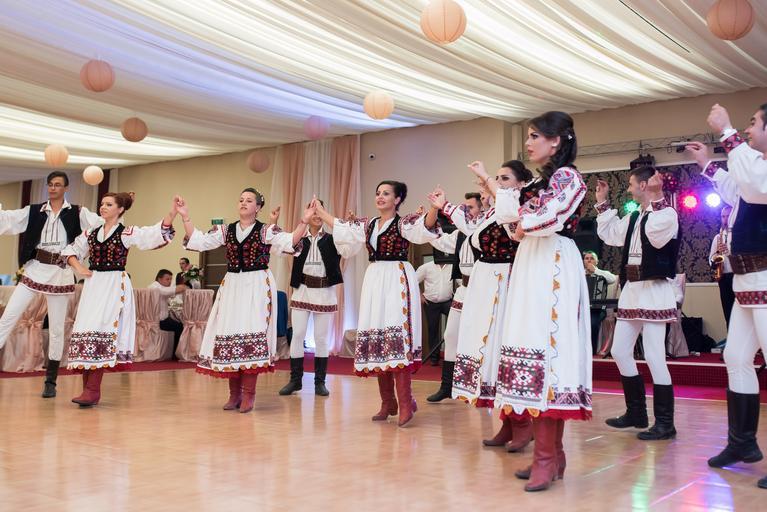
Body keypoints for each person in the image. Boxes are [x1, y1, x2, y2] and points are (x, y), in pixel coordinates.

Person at [491, 111, 591, 492]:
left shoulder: (568, 177)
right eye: (529, 136)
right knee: (530, 347)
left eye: (535, 136)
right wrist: (517, 214)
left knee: (549, 353)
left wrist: (521, 217)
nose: (528, 143)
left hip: (553, 261)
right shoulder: (541, 182)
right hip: (533, 260)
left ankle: (547, 458)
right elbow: (511, 224)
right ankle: (551, 456)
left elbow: (546, 216)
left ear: (556, 140)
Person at [686, 102, 767, 490]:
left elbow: (754, 185)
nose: (749, 130)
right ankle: (742, 443)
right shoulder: (755, 167)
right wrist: (707, 164)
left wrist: (727, 131)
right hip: (748, 280)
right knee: (735, 357)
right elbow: (738, 188)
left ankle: (743, 442)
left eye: (754, 123)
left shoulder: (760, 171)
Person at [429, 161, 535, 453]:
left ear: (520, 183)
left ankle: (523, 422)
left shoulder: (519, 207)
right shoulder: (492, 212)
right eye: (497, 178)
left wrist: (489, 183)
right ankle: (507, 421)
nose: (497, 182)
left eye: (505, 178)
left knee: (503, 348)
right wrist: (444, 205)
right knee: (487, 351)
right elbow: (469, 226)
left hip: (505, 280)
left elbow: (513, 227)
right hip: (485, 280)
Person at [313, 181, 438, 427]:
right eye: (378, 193)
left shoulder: (403, 223)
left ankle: (406, 402)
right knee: (379, 338)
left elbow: (426, 226)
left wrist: (435, 208)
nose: (380, 197)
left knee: (397, 338)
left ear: (397, 199)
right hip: (375, 279)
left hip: (397, 277)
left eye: (386, 194)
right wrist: (320, 211)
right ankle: (387, 402)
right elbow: (342, 227)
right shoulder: (368, 224)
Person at [177, 188, 311, 413]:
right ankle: (234, 394)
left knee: (252, 333)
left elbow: (290, 241)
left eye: (249, 200)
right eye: (241, 199)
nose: (243, 203)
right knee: (230, 333)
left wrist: (304, 221)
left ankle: (249, 394)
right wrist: (185, 217)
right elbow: (199, 241)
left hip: (257, 284)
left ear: (258, 207)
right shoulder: (226, 230)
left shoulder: (266, 230)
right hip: (232, 285)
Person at [64, 193, 178, 406]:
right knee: (86, 329)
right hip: (93, 284)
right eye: (102, 204)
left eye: (109, 204)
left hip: (114, 284)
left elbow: (152, 235)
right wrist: (79, 267)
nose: (103, 207)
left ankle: (92, 390)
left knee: (102, 329)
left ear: (120, 209)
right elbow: (70, 250)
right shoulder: (91, 233)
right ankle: (88, 390)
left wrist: (172, 213)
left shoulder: (126, 233)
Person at [595, 166, 680, 441]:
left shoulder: (667, 214)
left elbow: (656, 237)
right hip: (632, 289)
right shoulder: (634, 216)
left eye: (632, 184)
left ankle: (665, 423)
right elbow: (611, 235)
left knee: (654, 355)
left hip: (654, 289)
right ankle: (636, 413)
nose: (629, 189)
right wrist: (602, 202)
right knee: (620, 350)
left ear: (644, 185)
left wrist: (657, 197)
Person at [0, 171, 102, 398]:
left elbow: (102, 226)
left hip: (61, 272)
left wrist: (121, 209)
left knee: (56, 329)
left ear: (66, 188)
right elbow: (6, 220)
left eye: (57, 185)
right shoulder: (34, 211)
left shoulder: (77, 212)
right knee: (7, 318)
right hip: (35, 269)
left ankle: (50, 381)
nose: (53, 188)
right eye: (50, 184)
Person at [278, 199, 355, 397]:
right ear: (306, 214)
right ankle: (295, 380)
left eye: (320, 210)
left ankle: (320, 382)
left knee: (321, 338)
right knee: (298, 334)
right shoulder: (298, 239)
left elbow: (349, 250)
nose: (316, 215)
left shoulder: (332, 239)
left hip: (324, 292)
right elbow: (280, 250)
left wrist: (348, 228)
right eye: (312, 210)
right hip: (302, 290)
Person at [423, 192, 483, 403]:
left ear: (482, 210)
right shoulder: (459, 234)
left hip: (482, 290)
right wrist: (427, 222)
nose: (466, 211)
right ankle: (447, 386)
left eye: (471, 207)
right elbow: (438, 241)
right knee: (450, 335)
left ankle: (482, 386)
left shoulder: (484, 230)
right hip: (463, 289)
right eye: (464, 208)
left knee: (481, 339)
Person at [416, 252, 454, 366]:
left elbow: (460, 282)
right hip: (430, 302)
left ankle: (451, 355)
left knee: (454, 327)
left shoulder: (453, 266)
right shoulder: (426, 267)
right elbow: (413, 281)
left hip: (448, 302)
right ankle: (434, 358)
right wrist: (420, 296)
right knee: (433, 329)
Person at [584, 251, 617, 354]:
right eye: (587, 258)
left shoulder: (603, 273)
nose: (589, 260)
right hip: (581, 308)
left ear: (597, 261)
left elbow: (613, 279)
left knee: (593, 324)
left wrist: (595, 271)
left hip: (597, 309)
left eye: (592, 258)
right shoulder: (579, 274)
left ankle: (592, 352)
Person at [149, 269, 188, 357]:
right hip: (159, 321)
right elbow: (167, 291)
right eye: (167, 279)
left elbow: (169, 293)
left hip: (160, 319)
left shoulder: (157, 286)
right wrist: (183, 287)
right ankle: (175, 354)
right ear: (159, 279)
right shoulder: (155, 287)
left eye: (171, 279)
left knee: (179, 323)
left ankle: (174, 352)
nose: (170, 281)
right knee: (180, 327)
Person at [709, 205, 735, 328]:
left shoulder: (739, 236)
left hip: (737, 275)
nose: (725, 219)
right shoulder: (718, 237)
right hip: (723, 277)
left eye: (728, 216)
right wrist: (715, 259)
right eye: (723, 216)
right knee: (727, 311)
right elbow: (711, 258)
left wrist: (729, 252)